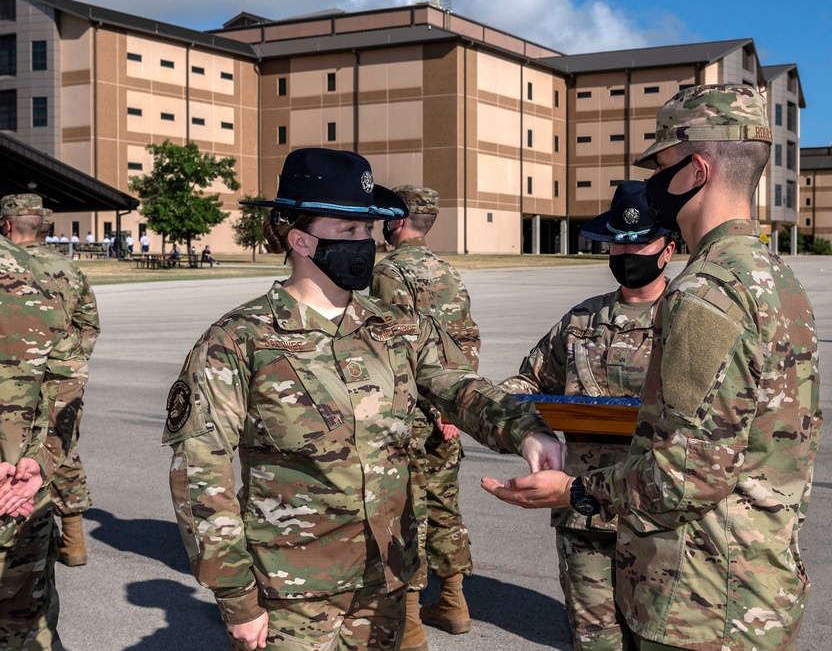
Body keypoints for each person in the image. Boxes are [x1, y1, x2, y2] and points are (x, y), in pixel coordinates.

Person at [163, 148, 564, 651]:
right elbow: (201, 473)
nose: (365, 245)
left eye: (369, 232)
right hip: (291, 593)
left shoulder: (395, 327)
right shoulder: (237, 340)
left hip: (385, 581)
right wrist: (235, 595)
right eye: (349, 231)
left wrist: (526, 429)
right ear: (301, 239)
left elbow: (459, 386)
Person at [483, 83, 823, 651]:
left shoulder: (705, 291)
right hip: (756, 587)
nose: (655, 184)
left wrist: (572, 491)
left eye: (662, 166)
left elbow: (684, 476)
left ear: (694, 170)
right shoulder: (775, 278)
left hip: (702, 599)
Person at [499, 180, 674, 651]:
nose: (627, 251)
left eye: (640, 241)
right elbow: (525, 384)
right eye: (619, 241)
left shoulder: (687, 317)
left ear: (668, 249)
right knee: (595, 641)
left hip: (661, 516)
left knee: (659, 638)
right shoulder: (583, 320)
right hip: (584, 514)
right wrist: (526, 430)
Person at [370, 185, 480, 650]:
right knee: (444, 504)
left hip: (412, 412)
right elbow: (466, 338)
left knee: (406, 511)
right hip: (449, 408)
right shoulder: (448, 271)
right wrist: (453, 404)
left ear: (396, 221)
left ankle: (410, 625)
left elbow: (397, 347)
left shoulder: (389, 272)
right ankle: (454, 603)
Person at [7, 201, 100, 568]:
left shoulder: (10, 267)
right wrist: (70, 362)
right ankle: (73, 539)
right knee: (58, 449)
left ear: (6, 225)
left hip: (11, 390)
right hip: (59, 382)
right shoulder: (67, 268)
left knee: (14, 462)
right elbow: (89, 324)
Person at [0, 195, 70, 650]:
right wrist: (41, 461)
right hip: (22, 491)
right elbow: (69, 381)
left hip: (20, 492)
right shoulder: (45, 283)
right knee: (26, 626)